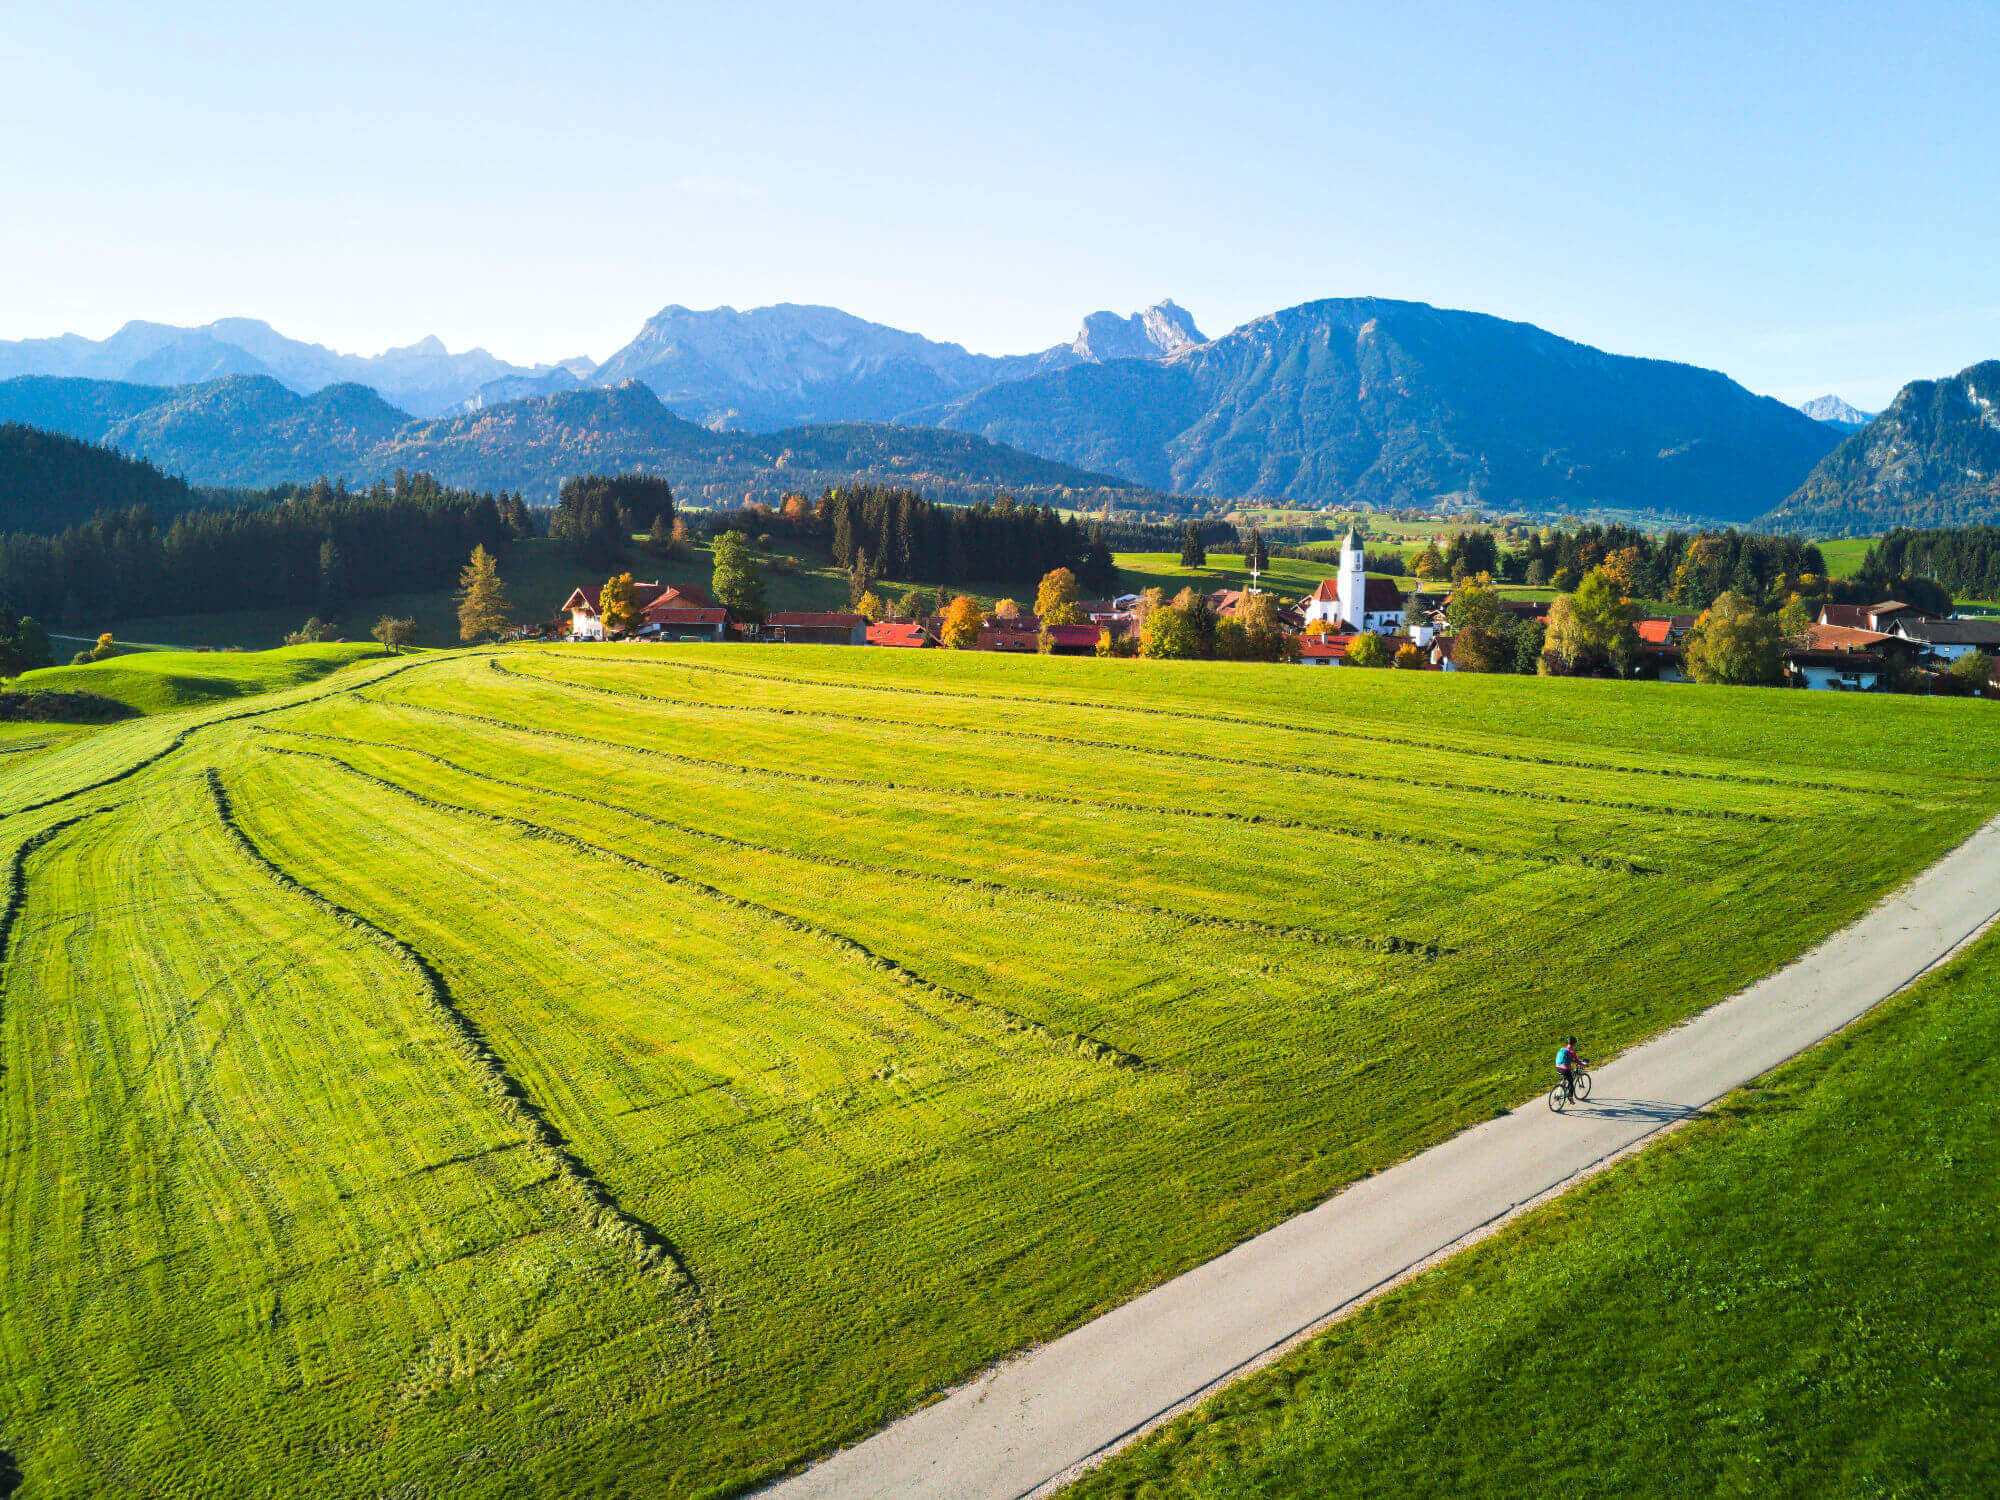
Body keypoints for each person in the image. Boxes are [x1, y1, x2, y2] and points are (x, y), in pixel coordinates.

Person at [1554, 1036, 1585, 1101]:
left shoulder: (1562, 1049)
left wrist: (1571, 1060)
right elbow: (1577, 1061)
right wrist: (1584, 1065)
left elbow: (1566, 1059)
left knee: (1565, 1078)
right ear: (1573, 1043)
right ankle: (1570, 1097)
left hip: (1558, 1067)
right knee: (1571, 1082)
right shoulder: (1571, 1052)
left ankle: (1558, 1092)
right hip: (1565, 1070)